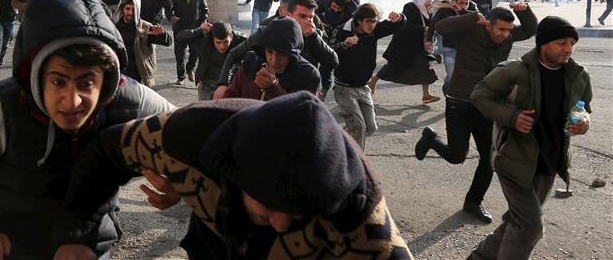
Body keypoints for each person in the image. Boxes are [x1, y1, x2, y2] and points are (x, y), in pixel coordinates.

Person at [50, 92, 413, 259]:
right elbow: (103, 153)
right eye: (270, 204)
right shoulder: (186, 137)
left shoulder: (358, 210)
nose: (283, 224)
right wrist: (78, 235)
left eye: (300, 210)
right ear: (233, 171)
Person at [0, 0, 175, 260]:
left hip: (93, 250)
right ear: (36, 75)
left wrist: (180, 184)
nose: (72, 101)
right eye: (58, 81)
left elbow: (191, 133)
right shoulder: (5, 107)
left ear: (108, 78)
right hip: (11, 251)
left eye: (86, 82)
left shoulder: (131, 100)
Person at [468, 16, 592, 259]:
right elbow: (479, 95)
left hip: (549, 163)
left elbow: (584, 106)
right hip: (514, 160)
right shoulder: (516, 71)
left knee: (518, 221)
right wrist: (512, 116)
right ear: (543, 44)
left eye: (571, 43)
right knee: (531, 226)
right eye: (561, 43)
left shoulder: (578, 74)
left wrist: (585, 120)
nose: (568, 49)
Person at [415, 3, 538, 223]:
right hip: (460, 102)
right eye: (500, 29)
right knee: (456, 156)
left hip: (489, 105)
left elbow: (530, 30)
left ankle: (473, 202)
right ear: (488, 25)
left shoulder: (507, 37)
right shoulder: (470, 31)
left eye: (508, 30)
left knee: (490, 158)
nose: (505, 34)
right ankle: (431, 139)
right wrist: (473, 18)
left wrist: (524, 10)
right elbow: (441, 26)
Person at [213, 0, 337, 100]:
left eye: (310, 17)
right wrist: (223, 83)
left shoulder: (313, 37)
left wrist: (313, 37)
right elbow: (235, 54)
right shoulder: (267, 34)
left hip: (299, 90)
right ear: (288, 14)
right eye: (302, 17)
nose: (308, 22)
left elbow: (332, 61)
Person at [333, 3, 406, 150]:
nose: (372, 25)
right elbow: (330, 52)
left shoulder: (374, 30)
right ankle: (358, 165)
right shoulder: (344, 32)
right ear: (359, 20)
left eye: (374, 21)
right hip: (345, 88)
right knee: (359, 127)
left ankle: (337, 139)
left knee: (371, 128)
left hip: (363, 87)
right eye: (368, 21)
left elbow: (396, 26)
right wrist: (344, 45)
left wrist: (399, 19)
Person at [369, 0, 439, 103]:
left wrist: (430, 39)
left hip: (419, 46)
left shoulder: (428, 11)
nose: (430, 2)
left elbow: (430, 27)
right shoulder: (410, 7)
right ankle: (373, 81)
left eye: (430, 0)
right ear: (420, 0)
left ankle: (426, 95)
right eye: (427, 0)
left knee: (425, 67)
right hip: (404, 45)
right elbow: (406, 25)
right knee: (392, 67)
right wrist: (423, 29)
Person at [224, 17, 320, 100]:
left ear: (292, 54)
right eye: (269, 51)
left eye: (282, 54)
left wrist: (274, 89)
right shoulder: (252, 61)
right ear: (263, 49)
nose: (274, 60)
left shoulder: (308, 75)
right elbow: (230, 97)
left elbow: (303, 115)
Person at [112, 0, 172, 86]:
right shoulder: (113, 26)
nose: (130, 13)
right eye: (127, 9)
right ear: (122, 8)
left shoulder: (145, 27)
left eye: (133, 9)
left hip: (137, 76)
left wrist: (162, 34)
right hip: (118, 74)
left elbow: (168, 42)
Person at [176, 20, 246, 100]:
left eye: (225, 42)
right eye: (218, 42)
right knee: (205, 111)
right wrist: (199, 30)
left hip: (230, 86)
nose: (222, 46)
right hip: (207, 86)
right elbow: (180, 37)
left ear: (231, 36)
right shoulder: (205, 39)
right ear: (213, 39)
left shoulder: (241, 40)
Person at [426, 0, 477, 89]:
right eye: (461, 3)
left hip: (466, 51)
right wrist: (429, 39)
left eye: (466, 3)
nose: (464, 5)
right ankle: (448, 88)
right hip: (449, 48)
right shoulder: (444, 11)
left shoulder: (470, 12)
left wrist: (461, 11)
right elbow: (433, 24)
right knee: (452, 76)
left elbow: (478, 21)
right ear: (455, 1)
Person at [170, 0, 209, 86]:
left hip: (195, 30)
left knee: (195, 52)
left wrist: (203, 21)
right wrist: (171, 16)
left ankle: (190, 68)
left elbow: (205, 10)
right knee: (179, 54)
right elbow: (168, 9)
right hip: (180, 30)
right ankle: (181, 77)